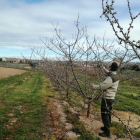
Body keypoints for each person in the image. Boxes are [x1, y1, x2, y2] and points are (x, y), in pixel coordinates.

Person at [91, 61, 120, 138]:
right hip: (111, 97)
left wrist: (94, 86)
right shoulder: (115, 75)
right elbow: (110, 73)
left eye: (109, 67)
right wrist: (104, 69)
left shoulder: (110, 78)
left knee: (104, 114)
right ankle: (106, 127)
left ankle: (107, 133)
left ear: (110, 68)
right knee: (108, 113)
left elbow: (102, 87)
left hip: (107, 98)